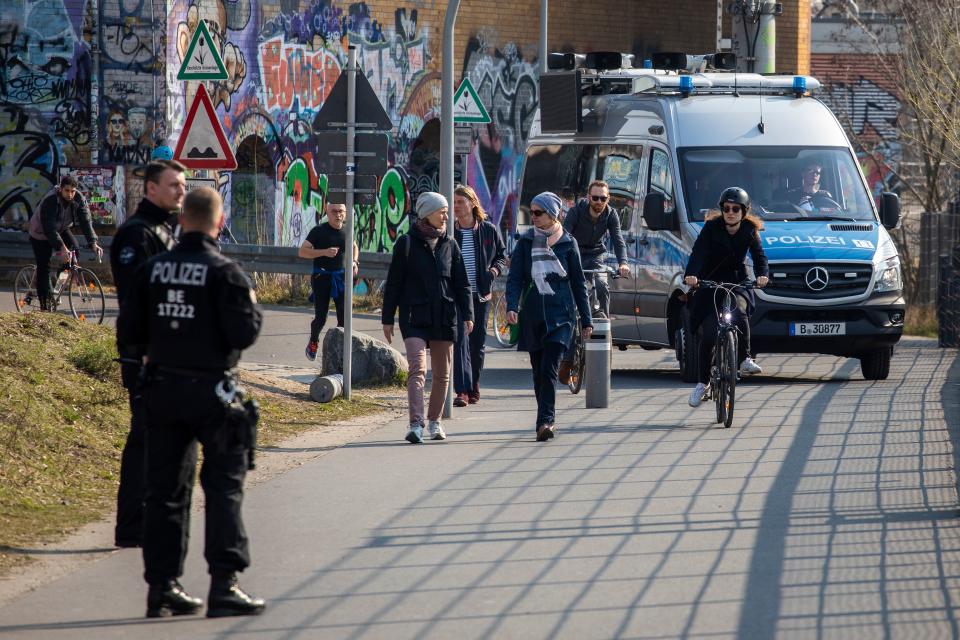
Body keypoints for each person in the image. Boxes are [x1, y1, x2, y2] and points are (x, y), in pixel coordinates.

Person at [117, 187, 265, 618]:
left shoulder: (153, 270)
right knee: (223, 489)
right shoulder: (226, 273)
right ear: (218, 223)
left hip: (162, 390)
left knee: (165, 491)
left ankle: (162, 586)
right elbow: (243, 334)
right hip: (213, 393)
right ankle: (224, 584)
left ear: (182, 221)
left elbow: (129, 327)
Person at [110, 159, 186, 549]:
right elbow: (135, 301)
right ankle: (131, 525)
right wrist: (142, 353)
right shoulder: (136, 236)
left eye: (183, 185)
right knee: (142, 437)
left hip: (167, 355)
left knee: (161, 439)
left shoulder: (166, 229)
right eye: (173, 185)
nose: (180, 191)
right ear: (151, 189)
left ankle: (149, 517)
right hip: (143, 356)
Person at [381, 192, 473, 443]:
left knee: (443, 374)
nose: (446, 216)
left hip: (444, 316)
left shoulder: (450, 245)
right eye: (442, 211)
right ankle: (415, 424)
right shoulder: (407, 244)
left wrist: (468, 315)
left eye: (446, 211)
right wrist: (387, 318)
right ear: (427, 214)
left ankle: (435, 422)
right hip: (414, 317)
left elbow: (462, 284)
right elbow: (394, 284)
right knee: (417, 369)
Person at [506, 192, 592, 442]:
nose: (532, 217)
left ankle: (546, 421)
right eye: (531, 212)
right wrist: (512, 306)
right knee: (537, 371)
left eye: (538, 212)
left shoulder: (568, 242)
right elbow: (515, 279)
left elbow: (578, 283)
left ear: (552, 214)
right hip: (533, 314)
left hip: (561, 315)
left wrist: (586, 320)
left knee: (548, 369)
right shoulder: (525, 241)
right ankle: (544, 416)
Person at [683, 187, 770, 408]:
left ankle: (745, 359)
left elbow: (760, 257)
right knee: (710, 334)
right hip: (710, 281)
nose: (730, 212)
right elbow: (698, 253)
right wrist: (691, 275)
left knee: (739, 313)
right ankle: (702, 384)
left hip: (737, 280)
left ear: (744, 211)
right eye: (726, 208)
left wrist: (762, 275)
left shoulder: (750, 230)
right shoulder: (711, 228)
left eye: (735, 209)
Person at [558, 180, 629, 383]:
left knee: (602, 282)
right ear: (588, 197)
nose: (599, 202)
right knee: (573, 309)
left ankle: (602, 322)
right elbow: (565, 236)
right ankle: (568, 360)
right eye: (595, 197)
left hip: (596, 256)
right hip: (575, 254)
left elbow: (617, 240)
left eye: (603, 198)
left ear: (608, 199)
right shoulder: (576, 212)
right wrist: (564, 263)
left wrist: (623, 262)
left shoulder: (610, 214)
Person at [452, 185, 507, 406]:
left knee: (477, 344)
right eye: (454, 202)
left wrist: (492, 272)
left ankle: (474, 384)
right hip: (457, 297)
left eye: (460, 202)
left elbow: (502, 257)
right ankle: (462, 390)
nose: (456, 207)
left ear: (472, 203)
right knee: (460, 341)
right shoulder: (450, 231)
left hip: (481, 296)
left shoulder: (488, 230)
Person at [27, 175, 103, 311]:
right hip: (41, 233)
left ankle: (57, 286)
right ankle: (44, 308)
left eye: (73, 191)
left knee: (75, 252)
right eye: (67, 191)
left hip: (61, 229)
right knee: (44, 267)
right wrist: (62, 248)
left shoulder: (78, 198)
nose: (70, 194)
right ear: (60, 189)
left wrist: (93, 242)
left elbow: (86, 221)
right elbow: (49, 229)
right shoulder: (51, 200)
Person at [299, 203, 359, 361]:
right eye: (334, 211)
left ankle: (340, 350)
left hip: (341, 277)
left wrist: (354, 261)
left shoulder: (347, 230)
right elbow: (302, 251)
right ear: (327, 212)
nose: (338, 214)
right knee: (321, 317)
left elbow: (354, 246)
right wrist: (324, 252)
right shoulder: (318, 231)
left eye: (341, 211)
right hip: (322, 277)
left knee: (344, 316)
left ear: (345, 213)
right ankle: (313, 341)